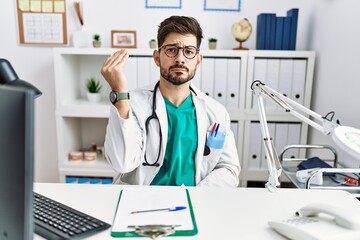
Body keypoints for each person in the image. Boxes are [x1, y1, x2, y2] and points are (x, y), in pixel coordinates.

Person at [101, 16, 240, 187]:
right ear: (157, 57)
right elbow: (122, 163)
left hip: (194, 203)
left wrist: (197, 196)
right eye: (172, 50)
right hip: (140, 204)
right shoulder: (132, 104)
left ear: (198, 60)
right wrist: (119, 93)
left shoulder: (216, 112)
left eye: (189, 51)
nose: (180, 58)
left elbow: (228, 167)